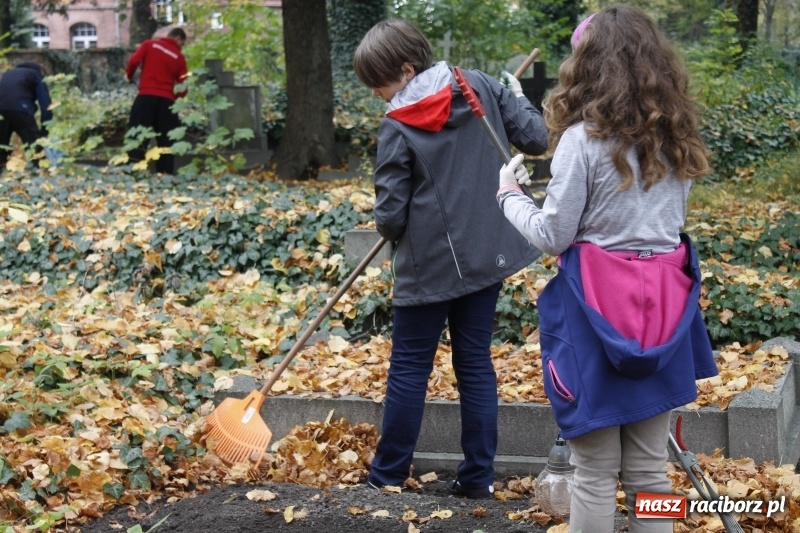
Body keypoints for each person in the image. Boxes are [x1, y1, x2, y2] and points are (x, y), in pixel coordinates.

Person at [496, 5, 719, 532]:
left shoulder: (582, 140)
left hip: (596, 313)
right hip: (665, 309)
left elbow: (555, 235)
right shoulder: (675, 137)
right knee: (650, 471)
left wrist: (509, 196)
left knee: (593, 470)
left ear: (587, 65)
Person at [353, 19, 548, 499]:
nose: (379, 94)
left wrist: (386, 223)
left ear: (405, 68)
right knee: (476, 363)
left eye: (379, 83)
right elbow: (538, 138)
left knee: (410, 367)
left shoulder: (398, 125)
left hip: (429, 266)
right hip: (486, 252)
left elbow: (392, 217)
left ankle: (388, 475)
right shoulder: (478, 84)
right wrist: (515, 95)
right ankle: (477, 478)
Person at [125, 27, 189, 174]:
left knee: (137, 138)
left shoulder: (149, 44)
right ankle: (165, 176)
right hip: (166, 102)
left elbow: (134, 61)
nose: (181, 47)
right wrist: (174, 98)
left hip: (145, 98)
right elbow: (183, 87)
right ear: (178, 38)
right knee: (166, 143)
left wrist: (129, 76)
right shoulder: (179, 58)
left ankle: (134, 172)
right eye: (183, 44)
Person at [0, 61, 53, 170]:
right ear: (42, 71)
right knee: (35, 147)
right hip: (21, 109)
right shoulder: (36, 74)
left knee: (1, 146)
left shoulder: (8, 74)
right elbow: (46, 105)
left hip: (1, 110)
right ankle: (41, 173)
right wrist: (44, 132)